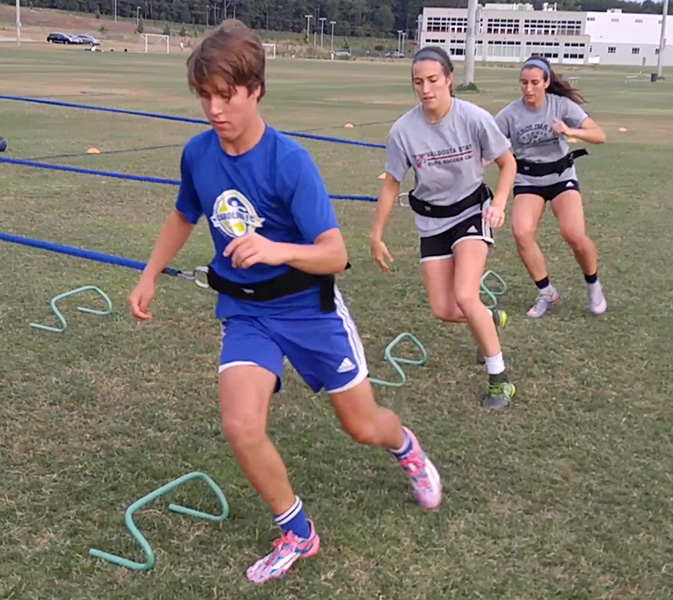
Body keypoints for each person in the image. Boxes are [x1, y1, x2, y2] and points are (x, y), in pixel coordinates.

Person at [127, 20, 442, 584]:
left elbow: (336, 255)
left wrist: (273, 248)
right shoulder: (197, 154)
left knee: (364, 425)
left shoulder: (290, 161)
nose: (215, 109)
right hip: (246, 313)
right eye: (205, 96)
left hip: (308, 309)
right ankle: (298, 532)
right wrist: (148, 273)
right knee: (241, 425)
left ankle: (407, 448)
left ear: (255, 90)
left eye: (227, 95)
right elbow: (183, 214)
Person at [369, 46, 519, 409]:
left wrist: (498, 204)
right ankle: (489, 319)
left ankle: (499, 379)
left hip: (471, 213)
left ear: (449, 80)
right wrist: (376, 234)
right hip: (432, 222)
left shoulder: (474, 117)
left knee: (466, 296)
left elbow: (507, 163)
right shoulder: (403, 130)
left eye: (433, 80)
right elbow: (392, 182)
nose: (425, 89)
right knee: (443, 308)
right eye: (418, 82)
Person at [495, 57, 607, 318]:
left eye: (535, 82)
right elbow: (489, 145)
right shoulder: (509, 114)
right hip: (528, 179)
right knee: (522, 233)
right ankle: (546, 291)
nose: (529, 89)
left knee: (574, 234)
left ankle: (593, 284)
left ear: (546, 82)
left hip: (560, 176)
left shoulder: (561, 106)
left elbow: (599, 135)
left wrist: (570, 130)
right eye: (524, 83)